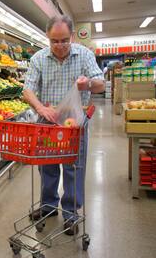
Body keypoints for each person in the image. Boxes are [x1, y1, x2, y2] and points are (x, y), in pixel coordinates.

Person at [23, 15, 105, 235]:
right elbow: (27, 89)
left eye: (64, 40)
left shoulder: (85, 55)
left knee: (74, 168)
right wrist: (41, 108)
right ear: (48, 38)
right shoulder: (39, 59)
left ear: (73, 35)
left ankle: (71, 212)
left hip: (75, 125)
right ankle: (49, 206)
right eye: (54, 41)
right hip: (47, 123)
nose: (59, 46)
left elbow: (100, 84)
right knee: (47, 166)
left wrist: (87, 83)